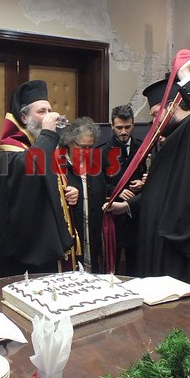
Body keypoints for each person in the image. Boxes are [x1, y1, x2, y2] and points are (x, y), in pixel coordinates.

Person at [107, 52, 190, 287]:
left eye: (154, 114)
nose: (154, 121)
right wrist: (128, 206)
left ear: (171, 107)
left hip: (178, 241)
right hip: (157, 236)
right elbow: (160, 189)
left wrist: (184, 76)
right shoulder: (171, 137)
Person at [0, 80, 79, 278]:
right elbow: (31, 167)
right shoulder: (10, 152)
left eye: (50, 110)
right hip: (27, 247)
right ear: (24, 117)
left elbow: (48, 183)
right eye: (41, 111)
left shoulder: (42, 146)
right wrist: (48, 133)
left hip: (48, 238)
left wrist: (68, 193)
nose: (49, 116)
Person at [99, 104, 145, 275]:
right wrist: (116, 191)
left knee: (137, 266)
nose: (124, 132)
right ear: (112, 126)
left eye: (127, 127)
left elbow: (152, 177)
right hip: (114, 216)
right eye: (119, 128)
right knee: (112, 266)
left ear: (133, 125)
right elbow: (97, 184)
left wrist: (142, 182)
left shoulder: (144, 148)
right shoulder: (102, 152)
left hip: (138, 215)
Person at [60, 117, 108, 273]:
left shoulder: (95, 164)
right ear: (70, 142)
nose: (87, 152)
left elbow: (104, 190)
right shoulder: (58, 167)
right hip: (70, 241)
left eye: (90, 147)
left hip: (93, 235)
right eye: (82, 147)